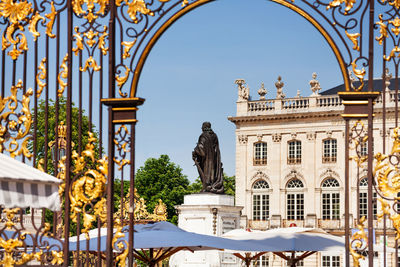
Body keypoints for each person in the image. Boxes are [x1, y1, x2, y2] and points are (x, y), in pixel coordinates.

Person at [192, 122, 224, 194]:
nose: (202, 128)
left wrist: (195, 151)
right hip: (214, 159)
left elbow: (201, 149)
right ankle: (212, 185)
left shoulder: (203, 136)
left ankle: (207, 186)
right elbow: (216, 148)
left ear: (204, 127)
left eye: (202, 127)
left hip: (207, 159)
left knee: (207, 172)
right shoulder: (214, 136)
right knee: (214, 172)